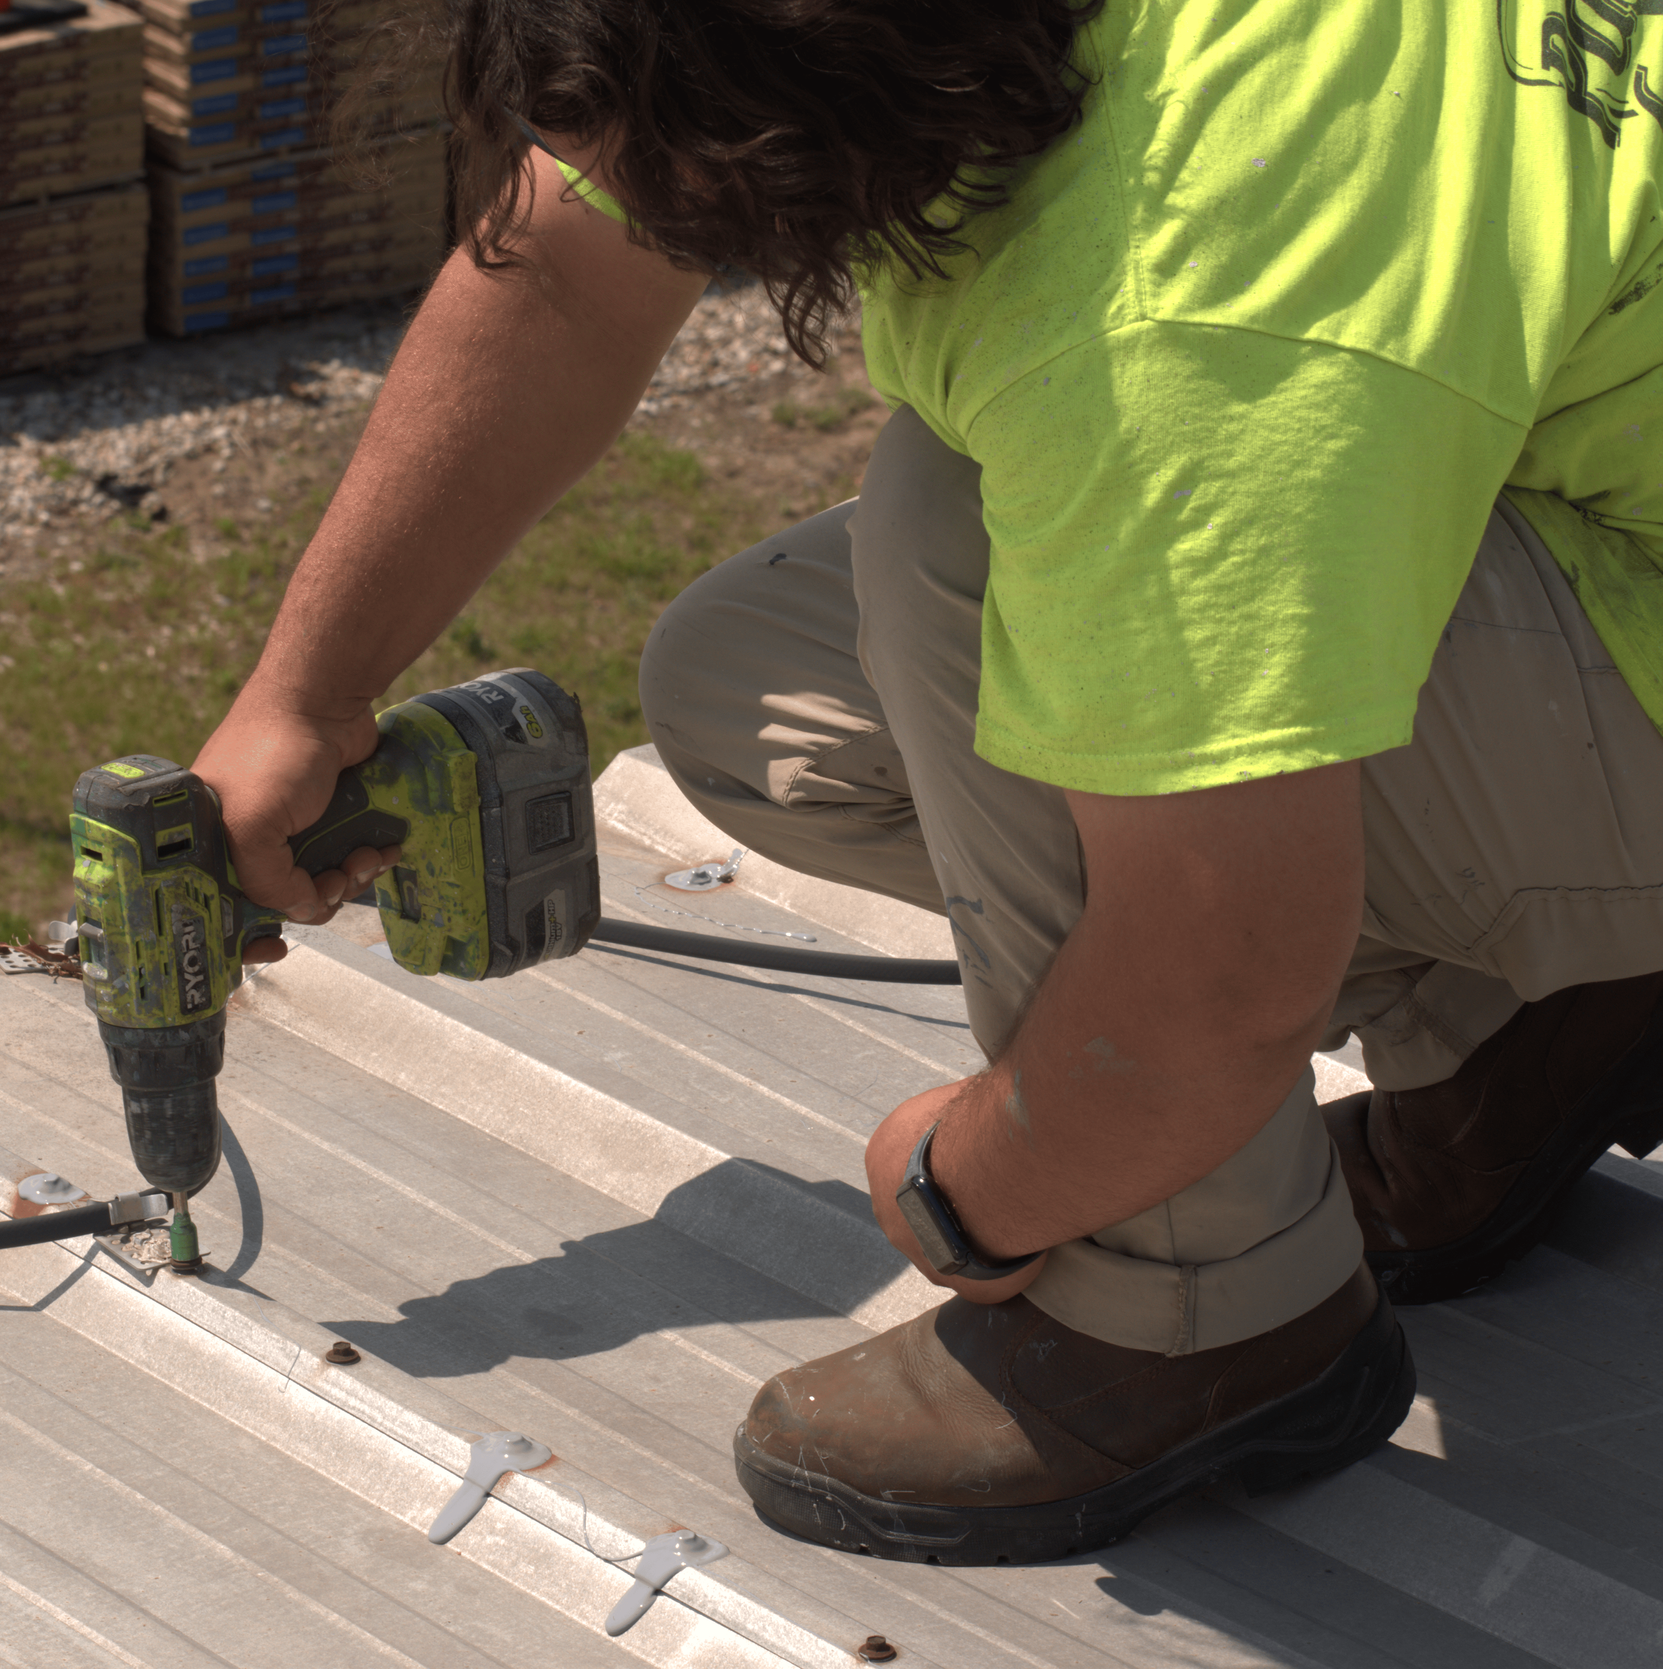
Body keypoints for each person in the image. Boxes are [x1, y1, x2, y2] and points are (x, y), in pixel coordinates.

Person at [189, 0, 1663, 1562]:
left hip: (1338, 434)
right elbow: (565, 264)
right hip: (1579, 495)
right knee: (765, 683)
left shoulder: (1157, 299)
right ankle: (1521, 1011)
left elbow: (1227, 964)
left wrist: (976, 1180)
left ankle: (1192, 1306)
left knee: (964, 540)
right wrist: (306, 692)